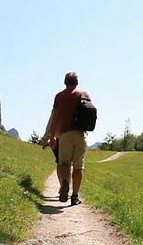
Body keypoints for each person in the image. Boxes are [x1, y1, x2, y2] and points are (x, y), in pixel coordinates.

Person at [50, 72, 90, 206]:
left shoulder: (59, 97)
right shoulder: (84, 95)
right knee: (79, 166)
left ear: (65, 82)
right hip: (81, 135)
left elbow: (55, 118)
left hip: (65, 134)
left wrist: (52, 137)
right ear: (76, 82)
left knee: (63, 163)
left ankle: (65, 181)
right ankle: (75, 196)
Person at [41, 110, 62, 185]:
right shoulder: (80, 101)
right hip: (78, 137)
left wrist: (45, 138)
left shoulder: (60, 103)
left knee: (60, 163)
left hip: (59, 137)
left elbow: (51, 123)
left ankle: (63, 185)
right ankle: (73, 191)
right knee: (70, 164)